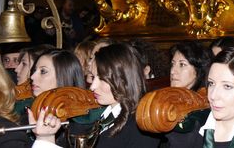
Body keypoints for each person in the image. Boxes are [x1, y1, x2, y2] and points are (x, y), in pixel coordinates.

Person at [34, 42, 162, 147]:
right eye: (93, 77)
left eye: (101, 78)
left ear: (123, 79)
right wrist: (47, 137)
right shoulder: (94, 118)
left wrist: (45, 142)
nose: (93, 86)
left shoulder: (142, 125)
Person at [163, 41, 212, 147]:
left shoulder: (203, 108)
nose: (172, 71)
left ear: (198, 71)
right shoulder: (167, 99)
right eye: (173, 64)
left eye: (182, 65)